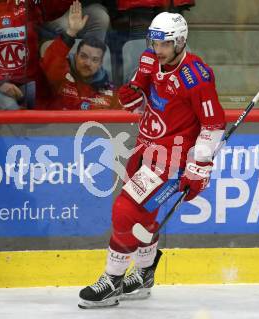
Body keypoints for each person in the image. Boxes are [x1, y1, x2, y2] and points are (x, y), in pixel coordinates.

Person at [78, 11, 225, 308]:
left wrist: (199, 167)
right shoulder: (149, 58)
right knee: (142, 218)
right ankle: (144, 274)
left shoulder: (196, 76)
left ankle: (112, 279)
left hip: (170, 159)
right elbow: (139, 90)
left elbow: (213, 124)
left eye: (165, 45)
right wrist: (134, 91)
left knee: (124, 211)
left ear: (181, 42)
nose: (158, 51)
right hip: (145, 147)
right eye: (154, 43)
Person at [40, 1, 117, 110]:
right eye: (83, 56)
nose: (87, 63)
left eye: (95, 60)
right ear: (75, 56)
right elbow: (50, 62)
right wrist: (71, 32)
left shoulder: (107, 88)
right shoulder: (63, 76)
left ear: (100, 64)